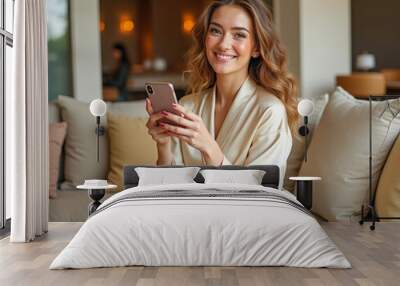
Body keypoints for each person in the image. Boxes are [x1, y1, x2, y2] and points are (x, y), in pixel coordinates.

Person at [145, 0, 297, 187]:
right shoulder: (187, 105)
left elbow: (261, 195)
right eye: (216, 31)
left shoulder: (270, 111)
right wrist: (163, 145)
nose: (224, 44)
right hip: (187, 213)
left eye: (239, 35)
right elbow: (167, 189)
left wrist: (209, 148)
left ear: (256, 48)